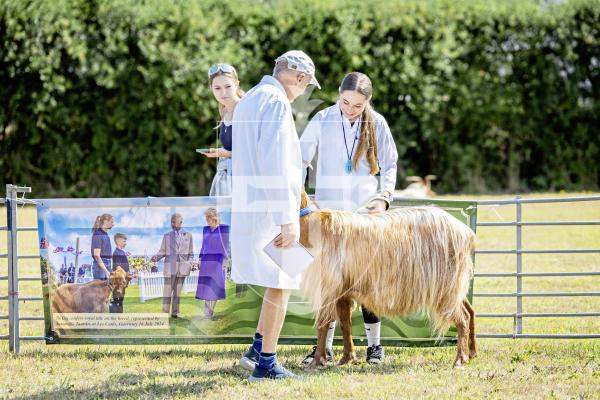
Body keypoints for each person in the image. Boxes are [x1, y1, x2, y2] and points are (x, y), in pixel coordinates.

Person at [231, 50, 320, 381]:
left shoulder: (252, 98)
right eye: (307, 84)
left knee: (280, 279)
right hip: (272, 209)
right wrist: (288, 220)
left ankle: (256, 349)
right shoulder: (278, 102)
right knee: (282, 282)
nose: (305, 90)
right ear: (298, 77)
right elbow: (278, 165)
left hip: (253, 205)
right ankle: (266, 363)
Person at [299, 71, 398, 365]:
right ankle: (324, 347)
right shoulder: (323, 120)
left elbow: (390, 164)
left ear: (367, 102)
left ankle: (374, 347)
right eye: (345, 102)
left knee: (368, 282)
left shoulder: (377, 122)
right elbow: (301, 158)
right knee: (328, 282)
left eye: (357, 106)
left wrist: (384, 198)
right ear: (338, 95)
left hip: (364, 216)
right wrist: (304, 194)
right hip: (328, 217)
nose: (350, 110)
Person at [199, 63, 244, 196]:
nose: (223, 93)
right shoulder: (224, 110)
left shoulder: (245, 109)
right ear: (211, 88)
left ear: (237, 84)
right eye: (217, 88)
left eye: (228, 86)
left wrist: (223, 153)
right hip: (228, 179)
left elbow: (253, 151)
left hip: (244, 181)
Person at [151, 214, 194, 318]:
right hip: (170, 268)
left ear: (181, 222)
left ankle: (175, 313)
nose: (174, 224)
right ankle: (165, 313)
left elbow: (191, 253)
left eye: (177, 221)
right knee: (167, 292)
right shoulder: (167, 236)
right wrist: (156, 258)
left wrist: (189, 263)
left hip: (183, 268)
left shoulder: (188, 236)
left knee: (177, 292)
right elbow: (162, 251)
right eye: (173, 222)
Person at [195, 208, 229, 319]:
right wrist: (200, 259)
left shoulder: (224, 229)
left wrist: (225, 262)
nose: (207, 220)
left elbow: (226, 247)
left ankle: (210, 311)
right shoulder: (205, 229)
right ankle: (207, 311)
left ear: (215, 217)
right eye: (206, 218)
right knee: (206, 286)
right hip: (206, 261)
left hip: (218, 262)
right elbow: (203, 245)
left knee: (215, 286)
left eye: (209, 217)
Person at [110, 233, 131, 313]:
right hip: (118, 280)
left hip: (122, 279)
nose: (125, 243)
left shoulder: (121, 252)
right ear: (118, 241)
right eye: (124, 241)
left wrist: (129, 274)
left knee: (120, 298)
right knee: (117, 298)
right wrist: (126, 275)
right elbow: (118, 268)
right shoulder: (117, 253)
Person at [91, 214, 114, 280]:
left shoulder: (105, 234)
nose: (113, 224)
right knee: (99, 290)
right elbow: (96, 255)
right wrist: (106, 271)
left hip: (107, 264)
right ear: (105, 221)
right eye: (112, 222)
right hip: (100, 267)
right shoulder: (98, 234)